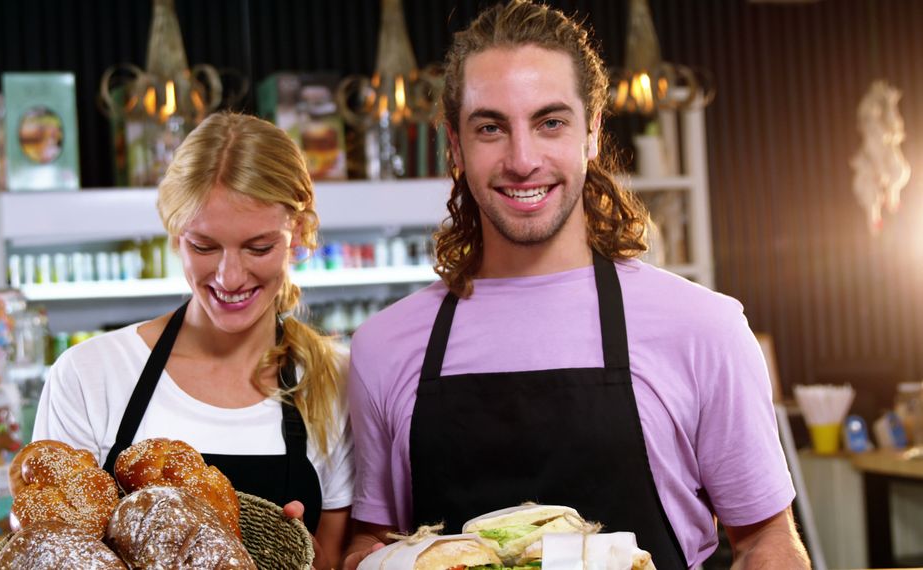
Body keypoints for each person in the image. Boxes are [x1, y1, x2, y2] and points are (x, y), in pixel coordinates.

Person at [343, 1, 808, 569]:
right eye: (491, 127)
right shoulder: (382, 347)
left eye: (550, 122)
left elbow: (767, 543)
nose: (522, 159)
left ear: (592, 132)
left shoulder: (704, 329)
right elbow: (371, 544)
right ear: (455, 146)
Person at [33, 112, 352, 569]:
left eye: (258, 247)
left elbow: (331, 561)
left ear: (298, 232)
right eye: (204, 246)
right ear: (175, 234)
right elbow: (49, 552)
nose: (230, 276)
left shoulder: (332, 379)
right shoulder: (90, 375)